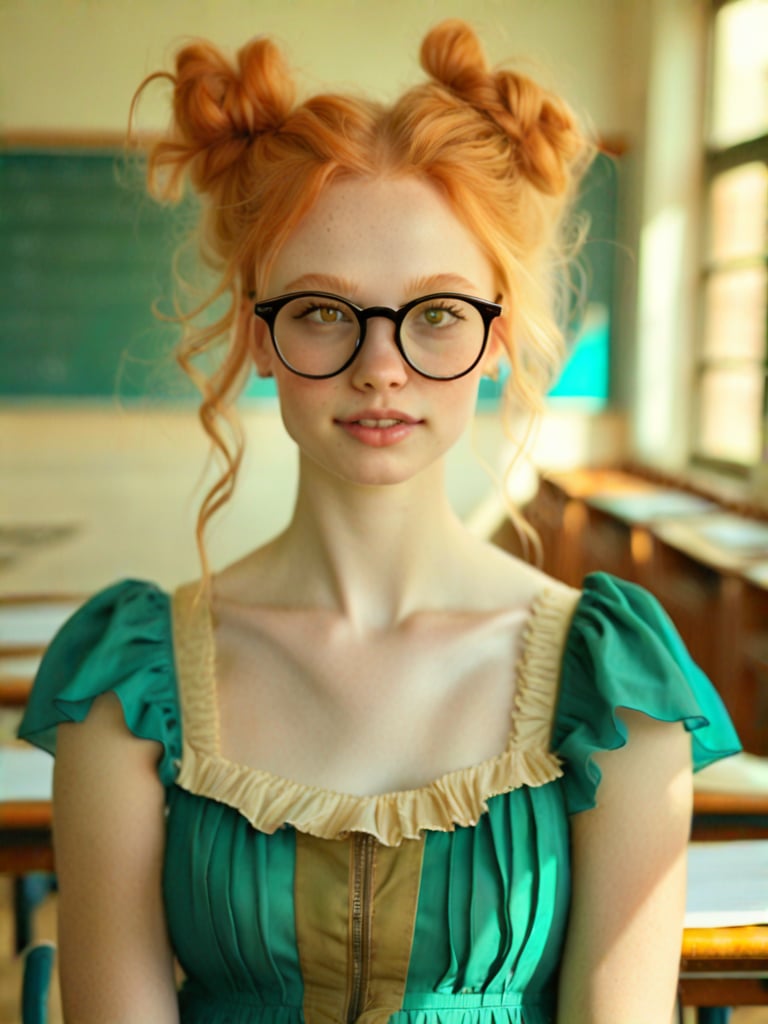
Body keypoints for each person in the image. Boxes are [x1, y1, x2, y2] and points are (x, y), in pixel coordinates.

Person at [19, 19, 740, 1024]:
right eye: (322, 309)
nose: (381, 365)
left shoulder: (611, 679)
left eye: (437, 312)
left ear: (497, 337)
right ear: (257, 331)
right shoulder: (130, 685)